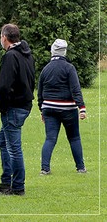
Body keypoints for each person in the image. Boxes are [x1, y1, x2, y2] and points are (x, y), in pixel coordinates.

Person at [0, 24, 35, 196]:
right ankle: (5, 181)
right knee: (3, 141)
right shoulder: (27, 54)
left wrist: (0, 105)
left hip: (13, 107)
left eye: (0, 36)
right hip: (24, 105)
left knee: (14, 148)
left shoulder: (10, 56)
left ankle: (17, 186)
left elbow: (4, 85)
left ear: (5, 37)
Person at [38, 39, 87, 175]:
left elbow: (40, 92)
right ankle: (80, 168)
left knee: (50, 138)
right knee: (74, 138)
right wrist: (81, 107)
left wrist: (42, 110)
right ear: (64, 52)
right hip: (68, 109)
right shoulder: (69, 68)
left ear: (53, 51)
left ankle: (45, 168)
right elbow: (75, 89)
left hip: (49, 107)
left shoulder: (46, 69)